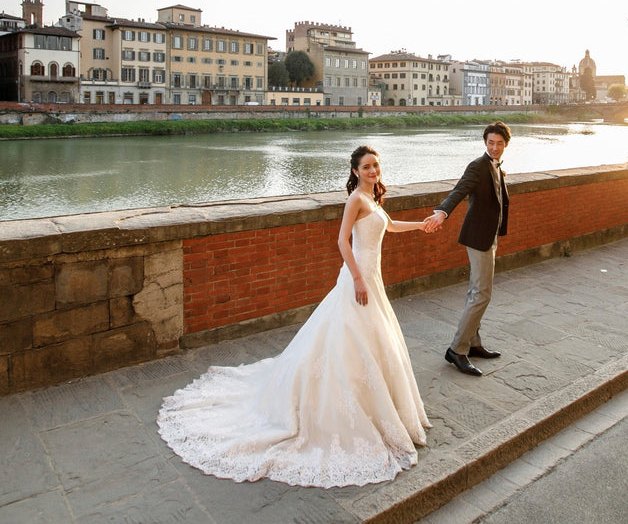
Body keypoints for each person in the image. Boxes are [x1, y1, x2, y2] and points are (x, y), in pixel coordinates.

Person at [157, 145, 431, 487]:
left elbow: (389, 227)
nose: (373, 170)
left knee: (375, 341)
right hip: (358, 279)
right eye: (367, 167)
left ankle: (379, 406)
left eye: (376, 165)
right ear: (355, 171)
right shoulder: (356, 200)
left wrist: (422, 225)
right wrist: (358, 279)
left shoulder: (374, 198)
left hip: (372, 280)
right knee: (350, 338)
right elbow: (342, 241)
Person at [424, 121, 511, 377]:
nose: (494, 148)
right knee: (482, 294)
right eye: (490, 143)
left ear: (505, 144)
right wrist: (442, 212)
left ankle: (473, 344)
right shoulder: (477, 166)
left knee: (476, 291)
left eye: (499, 144)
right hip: (477, 237)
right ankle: (457, 350)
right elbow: (459, 190)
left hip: (488, 235)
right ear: (485, 143)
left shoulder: (496, 167)